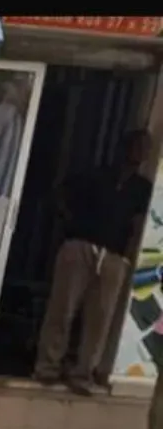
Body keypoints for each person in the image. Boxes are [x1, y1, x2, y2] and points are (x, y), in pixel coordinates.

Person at [33, 129, 154, 396]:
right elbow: (58, 196)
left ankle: (83, 373)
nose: (139, 153)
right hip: (81, 245)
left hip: (113, 255)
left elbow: (139, 225)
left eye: (144, 148)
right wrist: (72, 225)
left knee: (100, 318)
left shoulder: (142, 189)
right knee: (62, 309)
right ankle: (48, 367)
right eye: (136, 146)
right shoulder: (94, 176)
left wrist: (128, 256)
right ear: (123, 147)